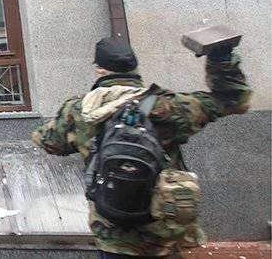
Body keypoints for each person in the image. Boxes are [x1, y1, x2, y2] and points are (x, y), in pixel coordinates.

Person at [32, 37, 252, 258]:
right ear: (135, 69)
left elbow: (48, 141)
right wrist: (221, 58)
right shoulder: (168, 106)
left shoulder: (79, 110)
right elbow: (234, 100)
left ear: (100, 70)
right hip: (162, 232)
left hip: (113, 235)